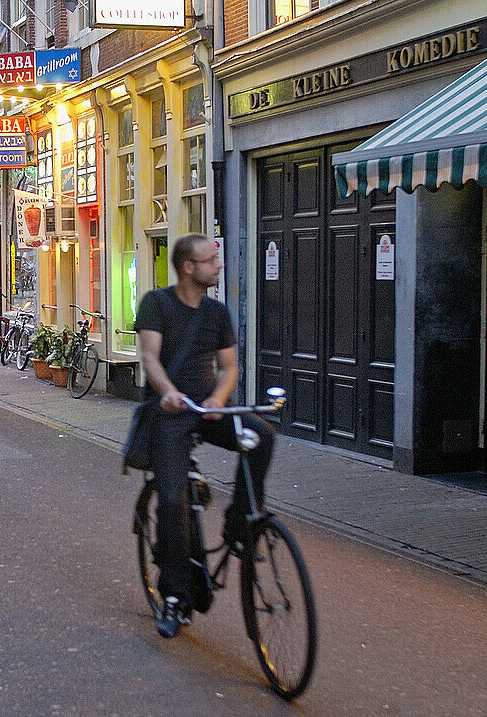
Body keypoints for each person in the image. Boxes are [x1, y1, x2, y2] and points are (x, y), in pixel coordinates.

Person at [135, 233, 276, 640]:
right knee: (174, 500)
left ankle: (240, 525)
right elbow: (150, 357)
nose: (218, 265)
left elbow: (229, 366)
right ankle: (175, 597)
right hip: (170, 414)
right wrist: (168, 393)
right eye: (211, 260)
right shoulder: (156, 304)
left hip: (208, 409)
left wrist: (218, 397)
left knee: (261, 435)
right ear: (188, 268)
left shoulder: (217, 313)